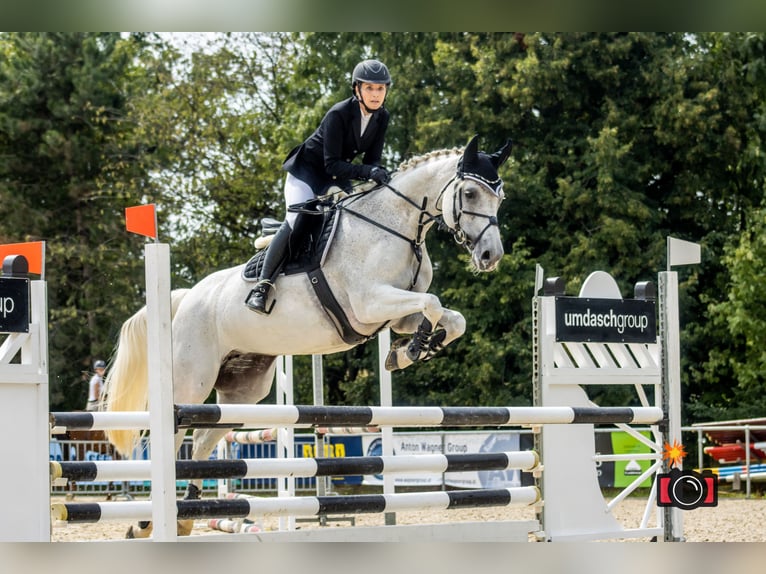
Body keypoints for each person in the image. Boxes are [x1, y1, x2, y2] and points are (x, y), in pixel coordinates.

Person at [245, 58, 393, 314]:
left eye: (380, 89)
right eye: (369, 88)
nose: (375, 94)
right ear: (357, 89)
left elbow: (372, 160)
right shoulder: (339, 114)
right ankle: (262, 286)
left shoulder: (382, 117)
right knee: (295, 220)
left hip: (334, 177)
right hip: (307, 174)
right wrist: (368, 171)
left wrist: (378, 175)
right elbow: (332, 164)